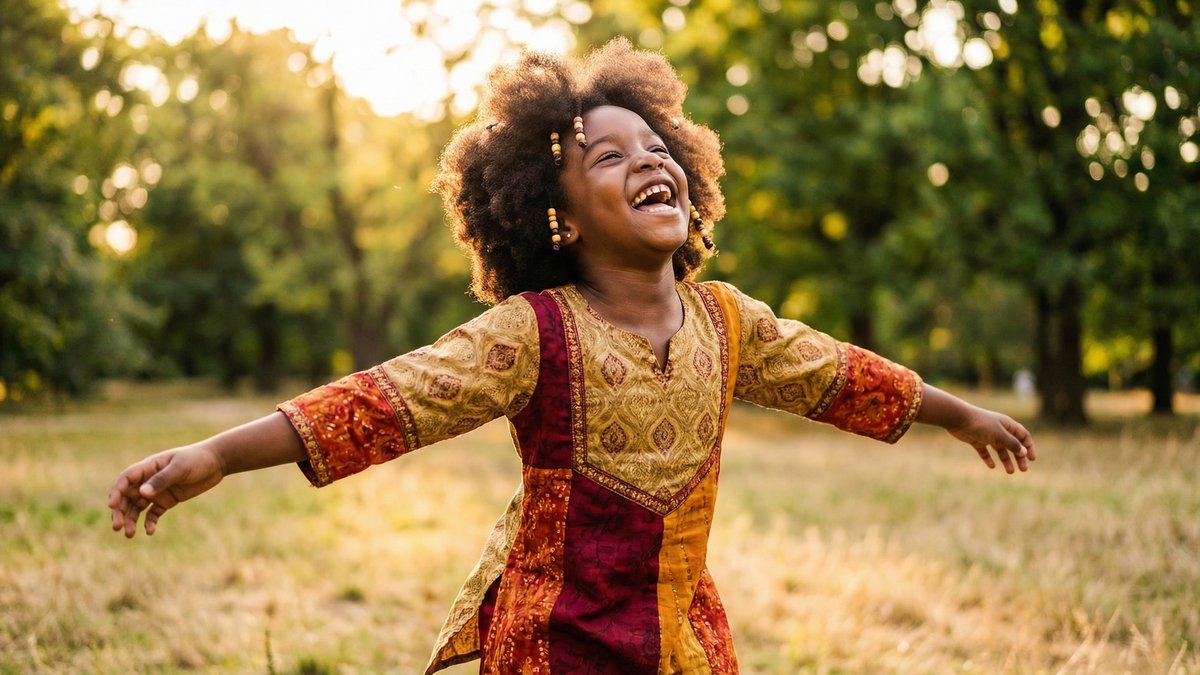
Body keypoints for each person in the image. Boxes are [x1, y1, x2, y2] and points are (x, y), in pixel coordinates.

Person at [108, 37, 1037, 674]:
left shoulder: (731, 321)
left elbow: (837, 373)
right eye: (607, 156)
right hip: (553, 646)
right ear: (555, 215)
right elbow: (388, 400)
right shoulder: (533, 331)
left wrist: (960, 415)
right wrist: (218, 454)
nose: (648, 161)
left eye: (657, 146)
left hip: (683, 639)